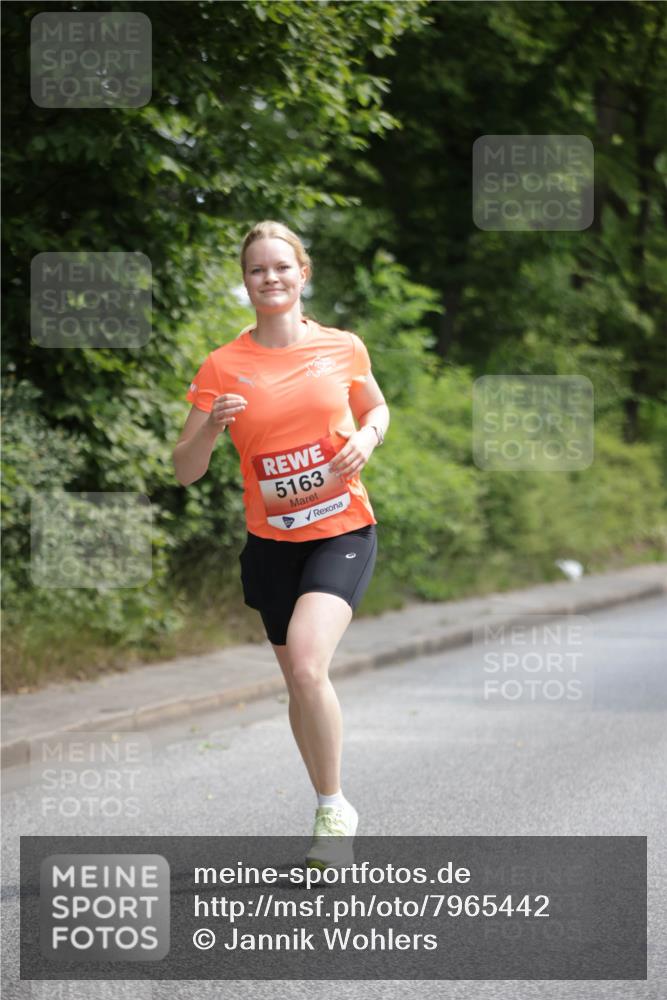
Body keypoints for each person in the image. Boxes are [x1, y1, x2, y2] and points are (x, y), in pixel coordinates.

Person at [172, 220, 390, 868]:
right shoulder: (222, 365)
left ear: (303, 273)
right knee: (300, 681)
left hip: (342, 529)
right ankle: (328, 798)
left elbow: (376, 408)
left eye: (280, 267)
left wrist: (367, 439)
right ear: (246, 283)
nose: (269, 278)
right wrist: (210, 426)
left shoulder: (341, 347)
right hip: (270, 542)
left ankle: (332, 811)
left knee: (304, 663)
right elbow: (184, 468)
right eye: (256, 270)